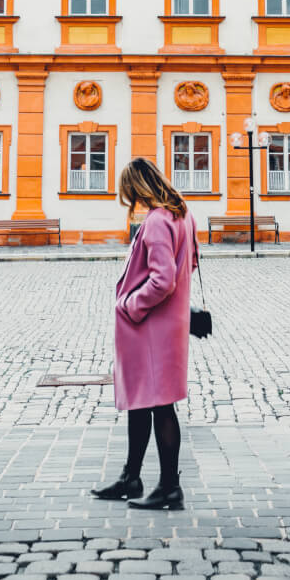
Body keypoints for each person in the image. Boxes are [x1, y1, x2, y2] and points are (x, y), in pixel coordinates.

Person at [92, 157, 197, 511]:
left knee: (160, 405)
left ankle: (169, 487)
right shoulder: (182, 215)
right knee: (142, 403)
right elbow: (188, 265)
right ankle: (130, 478)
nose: (131, 204)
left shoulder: (155, 221)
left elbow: (163, 278)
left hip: (149, 327)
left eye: (129, 195)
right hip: (167, 325)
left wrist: (131, 304)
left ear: (138, 188)